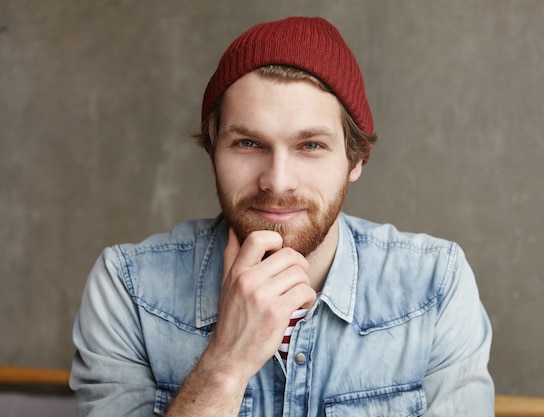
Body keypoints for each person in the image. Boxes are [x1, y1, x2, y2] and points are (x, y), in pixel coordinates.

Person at [70, 16, 494, 416]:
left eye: (310, 145)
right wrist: (225, 365)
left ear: (356, 158)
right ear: (212, 151)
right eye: (249, 143)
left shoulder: (435, 286)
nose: (277, 181)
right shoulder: (127, 287)